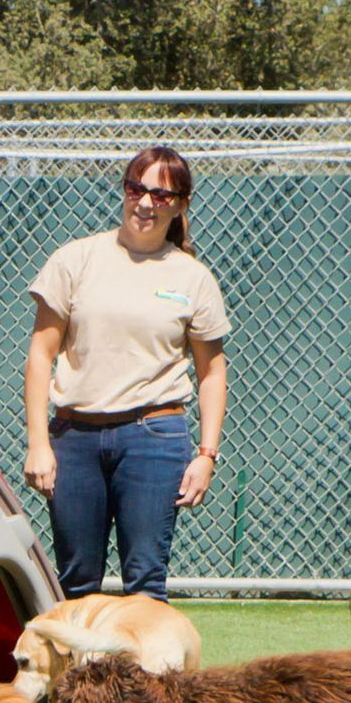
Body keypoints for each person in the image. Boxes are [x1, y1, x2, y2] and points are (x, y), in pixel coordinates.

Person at [23, 145, 229, 601]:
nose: (145, 203)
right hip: (74, 439)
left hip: (154, 439)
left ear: (179, 205)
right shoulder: (75, 259)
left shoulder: (192, 278)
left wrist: (207, 455)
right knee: (76, 583)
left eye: (161, 194)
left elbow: (211, 370)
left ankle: (145, 677)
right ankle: (79, 676)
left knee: (146, 585)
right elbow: (41, 353)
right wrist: (39, 444)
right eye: (136, 188)